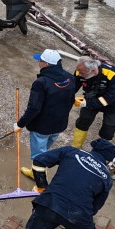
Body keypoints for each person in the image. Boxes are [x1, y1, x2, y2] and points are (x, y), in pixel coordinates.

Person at [14, 139, 115, 229]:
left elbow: (38, 162)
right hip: (78, 215)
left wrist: (42, 188)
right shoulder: (106, 178)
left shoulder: (70, 151)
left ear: (93, 149)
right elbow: (95, 208)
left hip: (49, 203)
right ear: (108, 160)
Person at [13, 49, 74, 180]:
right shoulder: (69, 77)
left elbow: (34, 108)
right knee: (44, 150)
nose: (38, 62)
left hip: (42, 126)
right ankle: (37, 170)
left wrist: (20, 124)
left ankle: (39, 181)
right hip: (59, 124)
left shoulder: (41, 83)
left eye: (40, 60)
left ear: (46, 64)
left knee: (38, 157)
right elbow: (71, 100)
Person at [71, 56, 115, 149]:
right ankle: (75, 148)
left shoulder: (112, 74)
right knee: (83, 121)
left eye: (82, 73)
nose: (79, 75)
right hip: (91, 98)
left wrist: (87, 103)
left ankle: (100, 153)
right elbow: (73, 87)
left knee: (108, 130)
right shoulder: (80, 71)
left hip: (114, 104)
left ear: (93, 70)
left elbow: (109, 98)